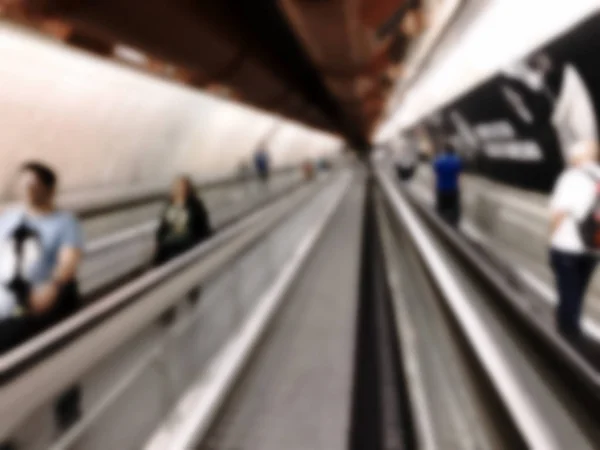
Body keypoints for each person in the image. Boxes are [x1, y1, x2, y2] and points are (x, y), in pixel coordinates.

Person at [0, 161, 84, 437]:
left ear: (49, 188)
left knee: (60, 357)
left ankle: (68, 416)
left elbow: (69, 259)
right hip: (7, 305)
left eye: (34, 184)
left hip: (42, 305)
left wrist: (55, 286)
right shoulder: (9, 217)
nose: (27, 189)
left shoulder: (65, 223)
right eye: (24, 183)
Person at [549, 140, 600, 338]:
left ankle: (567, 340)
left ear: (576, 158)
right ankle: (571, 326)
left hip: (567, 246)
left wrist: (552, 236)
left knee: (568, 292)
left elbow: (558, 213)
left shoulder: (570, 177)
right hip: (594, 246)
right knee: (577, 291)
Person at [154, 176, 212, 266]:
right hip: (171, 241)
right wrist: (159, 238)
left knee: (170, 247)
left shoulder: (195, 205)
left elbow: (203, 226)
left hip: (189, 240)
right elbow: (163, 226)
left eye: (181, 186)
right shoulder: (170, 205)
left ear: (187, 188)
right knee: (164, 247)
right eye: (176, 187)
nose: (178, 189)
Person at [433, 143, 462, 226]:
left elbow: (435, 175)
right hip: (453, 189)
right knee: (453, 213)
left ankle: (440, 229)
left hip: (441, 189)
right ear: (453, 151)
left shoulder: (439, 160)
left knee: (440, 211)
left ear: (445, 150)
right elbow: (459, 176)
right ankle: (453, 227)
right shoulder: (457, 161)